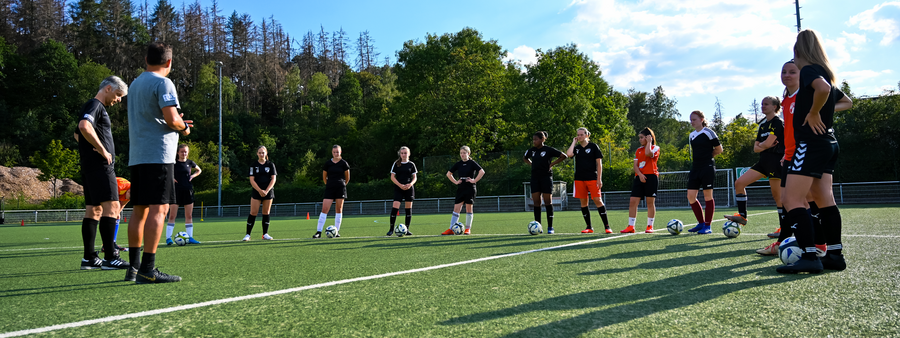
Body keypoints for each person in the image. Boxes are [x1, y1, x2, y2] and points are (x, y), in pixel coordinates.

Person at [757, 60, 852, 256]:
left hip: (806, 150)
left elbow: (847, 102)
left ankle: (807, 247)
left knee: (793, 200)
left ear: (802, 74)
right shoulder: (786, 99)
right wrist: (786, 152)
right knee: (806, 199)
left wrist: (819, 110)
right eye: (784, 71)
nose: (787, 75)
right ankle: (818, 246)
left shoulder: (807, 93)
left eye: (792, 71)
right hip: (792, 153)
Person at [777, 29, 852, 273]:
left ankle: (810, 256)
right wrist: (821, 109)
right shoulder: (824, 70)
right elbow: (843, 100)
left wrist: (814, 112)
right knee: (823, 199)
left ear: (798, 50)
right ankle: (835, 255)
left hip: (810, 144)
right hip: (828, 143)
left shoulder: (810, 70)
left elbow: (823, 90)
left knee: (791, 199)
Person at [126, 42, 192, 283]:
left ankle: (133, 268)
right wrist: (183, 127)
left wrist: (173, 121)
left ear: (146, 59)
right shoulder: (163, 82)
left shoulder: (134, 84)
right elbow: (172, 119)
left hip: (138, 155)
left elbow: (153, 117)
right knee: (160, 209)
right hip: (159, 155)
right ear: (169, 62)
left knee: (139, 210)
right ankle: (148, 269)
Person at [76, 75, 130, 271]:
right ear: (108, 88)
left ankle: (89, 258)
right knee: (113, 207)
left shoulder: (92, 107)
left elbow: (77, 134)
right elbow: (83, 127)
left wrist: (89, 149)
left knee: (94, 210)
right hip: (100, 166)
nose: (119, 100)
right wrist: (102, 150)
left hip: (90, 165)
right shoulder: (96, 105)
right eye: (118, 95)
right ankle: (110, 258)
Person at [724, 96, 785, 227]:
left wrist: (763, 145)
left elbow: (764, 144)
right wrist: (765, 145)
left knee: (778, 196)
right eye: (762, 104)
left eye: (766, 104)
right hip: (763, 162)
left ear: (775, 107)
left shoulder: (778, 122)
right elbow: (756, 148)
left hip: (775, 162)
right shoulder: (763, 126)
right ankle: (742, 216)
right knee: (739, 183)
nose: (763, 106)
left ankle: (784, 228)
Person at [566, 127, 611, 234]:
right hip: (579, 179)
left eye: (581, 134)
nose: (579, 136)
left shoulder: (593, 146)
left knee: (597, 200)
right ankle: (589, 227)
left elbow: (599, 164)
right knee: (583, 202)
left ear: (587, 135)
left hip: (592, 178)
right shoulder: (576, 148)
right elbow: (569, 154)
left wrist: (599, 179)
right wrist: (573, 142)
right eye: (578, 135)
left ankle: (607, 226)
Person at [685, 111, 723, 234]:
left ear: (701, 119)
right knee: (691, 196)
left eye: (694, 119)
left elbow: (719, 149)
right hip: (695, 168)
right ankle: (701, 223)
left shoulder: (708, 132)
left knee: (708, 196)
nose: (692, 122)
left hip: (707, 167)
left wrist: (708, 157)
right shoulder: (691, 135)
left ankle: (707, 226)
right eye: (691, 120)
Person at [523, 131, 568, 234]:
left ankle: (550, 227)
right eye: (533, 140)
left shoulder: (548, 150)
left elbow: (563, 156)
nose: (534, 141)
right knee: (536, 202)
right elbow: (525, 158)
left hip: (546, 177)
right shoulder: (531, 151)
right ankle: (538, 226)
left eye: (536, 139)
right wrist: (531, 164)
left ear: (542, 139)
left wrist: (551, 164)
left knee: (548, 202)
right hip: (535, 178)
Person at [622, 128, 660, 233]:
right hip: (639, 177)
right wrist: (640, 175)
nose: (640, 139)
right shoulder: (638, 150)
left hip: (651, 177)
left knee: (650, 202)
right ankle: (631, 226)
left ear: (648, 137)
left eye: (642, 137)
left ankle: (650, 226)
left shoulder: (655, 148)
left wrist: (649, 142)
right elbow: (635, 165)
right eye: (640, 137)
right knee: (633, 201)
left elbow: (648, 153)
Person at [441, 146, 485, 235]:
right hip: (461, 188)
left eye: (464, 153)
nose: (462, 155)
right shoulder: (458, 164)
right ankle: (451, 229)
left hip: (470, 188)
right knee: (456, 208)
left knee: (469, 208)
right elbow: (449, 174)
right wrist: (456, 182)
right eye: (461, 153)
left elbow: (482, 172)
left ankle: (468, 229)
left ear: (468, 153)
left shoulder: (472, 163)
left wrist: (474, 181)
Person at [166, 144, 202, 245]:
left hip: (188, 190)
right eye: (182, 151)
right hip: (175, 191)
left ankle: (190, 237)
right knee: (172, 215)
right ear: (178, 152)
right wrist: (171, 178)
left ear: (188, 152)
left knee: (189, 215)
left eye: (185, 151)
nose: (184, 153)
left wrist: (193, 176)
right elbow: (165, 172)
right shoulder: (173, 163)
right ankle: (168, 238)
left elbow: (199, 170)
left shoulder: (190, 162)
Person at [314, 145, 350, 238]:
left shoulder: (344, 163)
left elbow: (347, 178)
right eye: (334, 152)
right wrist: (329, 184)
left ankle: (336, 232)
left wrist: (342, 184)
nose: (336, 154)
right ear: (332, 152)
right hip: (330, 188)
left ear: (340, 152)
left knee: (339, 209)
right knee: (324, 209)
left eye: (337, 152)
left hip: (340, 188)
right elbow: (324, 177)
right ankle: (318, 232)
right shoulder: (328, 164)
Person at [242, 146, 277, 241]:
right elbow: (252, 180)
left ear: (266, 153)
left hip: (268, 192)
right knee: (253, 212)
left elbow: (273, 179)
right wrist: (260, 190)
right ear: (257, 153)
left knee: (266, 212)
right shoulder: (253, 165)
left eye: (263, 152)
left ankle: (265, 234)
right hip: (257, 192)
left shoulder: (271, 165)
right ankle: (248, 235)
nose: (261, 154)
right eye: (260, 152)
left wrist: (266, 190)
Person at [387, 146, 417, 236]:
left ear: (409, 154)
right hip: (398, 188)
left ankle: (407, 230)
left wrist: (410, 184)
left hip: (409, 188)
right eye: (402, 153)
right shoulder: (396, 163)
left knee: (408, 210)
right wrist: (400, 185)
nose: (404, 155)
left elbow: (415, 177)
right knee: (395, 208)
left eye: (405, 153)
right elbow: (392, 177)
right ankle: (391, 229)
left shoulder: (411, 164)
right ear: (400, 154)